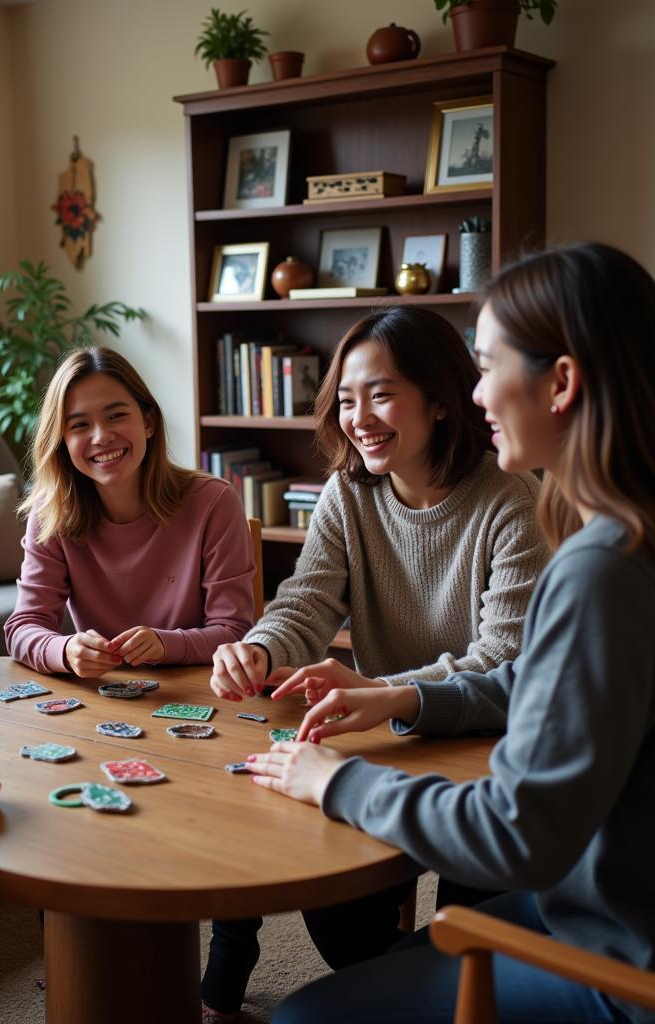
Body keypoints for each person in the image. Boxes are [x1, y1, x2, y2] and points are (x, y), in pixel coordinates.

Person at [250, 242, 655, 1024]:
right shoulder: (626, 535)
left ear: (562, 383)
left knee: (302, 1018)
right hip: (605, 903)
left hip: (620, 960)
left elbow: (517, 834)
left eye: (486, 364)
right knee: (402, 957)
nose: (476, 393)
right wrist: (399, 697)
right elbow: (536, 682)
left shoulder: (603, 566)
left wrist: (339, 781)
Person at [202, 307, 549, 1021]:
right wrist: (260, 647)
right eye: (348, 399)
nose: (360, 419)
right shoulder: (348, 491)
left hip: (489, 747)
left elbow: (502, 660)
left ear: (443, 400)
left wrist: (381, 690)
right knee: (339, 921)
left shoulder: (511, 497)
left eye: (383, 394)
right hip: (383, 730)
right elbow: (306, 600)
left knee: (463, 936)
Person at [5, 345, 254, 678]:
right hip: (105, 698)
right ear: (61, 441)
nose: (102, 436)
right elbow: (23, 628)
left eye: (116, 415)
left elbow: (235, 631)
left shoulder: (214, 502)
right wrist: (64, 651)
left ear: (148, 422)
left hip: (201, 691)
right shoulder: (52, 514)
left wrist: (166, 645)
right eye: (79, 425)